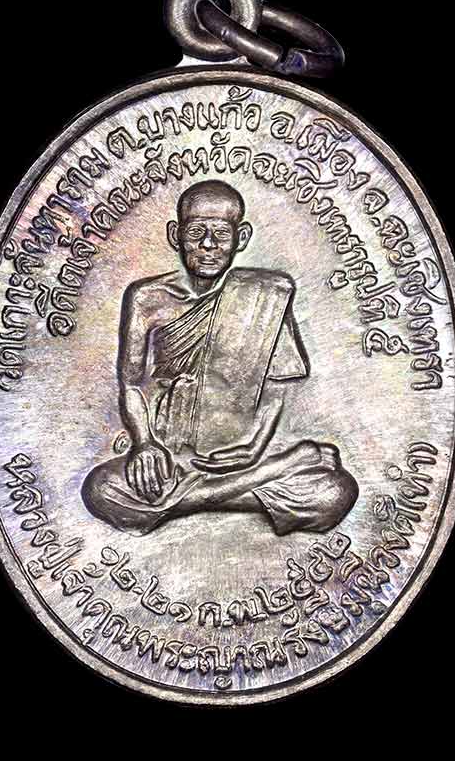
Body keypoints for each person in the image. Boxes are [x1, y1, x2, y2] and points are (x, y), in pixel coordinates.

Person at [82, 179, 358, 535]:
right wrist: (145, 443)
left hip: (243, 454)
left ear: (241, 238)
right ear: (175, 236)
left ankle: (176, 504)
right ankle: (273, 472)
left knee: (335, 493)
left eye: (221, 234)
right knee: (101, 489)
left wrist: (254, 448)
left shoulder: (266, 295)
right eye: (196, 233)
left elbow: (276, 386)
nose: (208, 245)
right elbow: (132, 384)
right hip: (170, 455)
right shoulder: (146, 298)